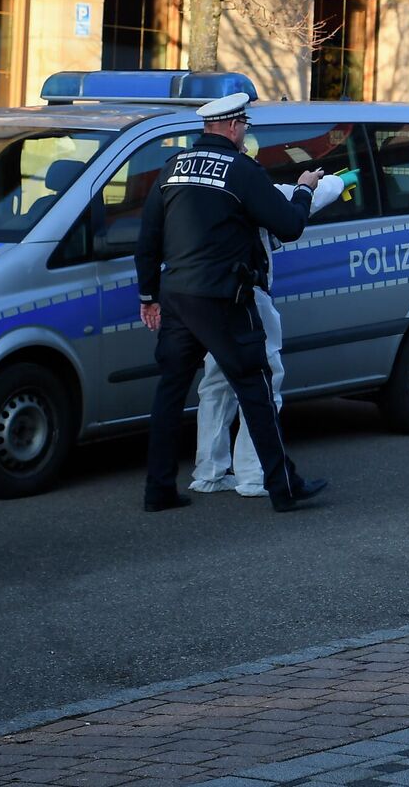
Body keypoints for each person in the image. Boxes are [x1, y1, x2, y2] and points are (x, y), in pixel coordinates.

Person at [135, 92, 329, 514]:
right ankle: (284, 488)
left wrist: (149, 296)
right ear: (234, 125)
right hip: (223, 299)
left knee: (170, 392)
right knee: (256, 388)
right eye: (245, 126)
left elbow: (148, 238)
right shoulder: (241, 171)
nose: (245, 133)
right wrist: (303, 190)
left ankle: (159, 490)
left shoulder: (172, 168)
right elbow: (290, 226)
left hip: (177, 296)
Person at [192, 164, 347, 497]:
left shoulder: (202, 189)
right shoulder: (261, 191)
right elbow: (327, 191)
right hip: (248, 297)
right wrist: (313, 181)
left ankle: (209, 472)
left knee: (217, 381)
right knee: (264, 383)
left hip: (207, 296)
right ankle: (253, 474)